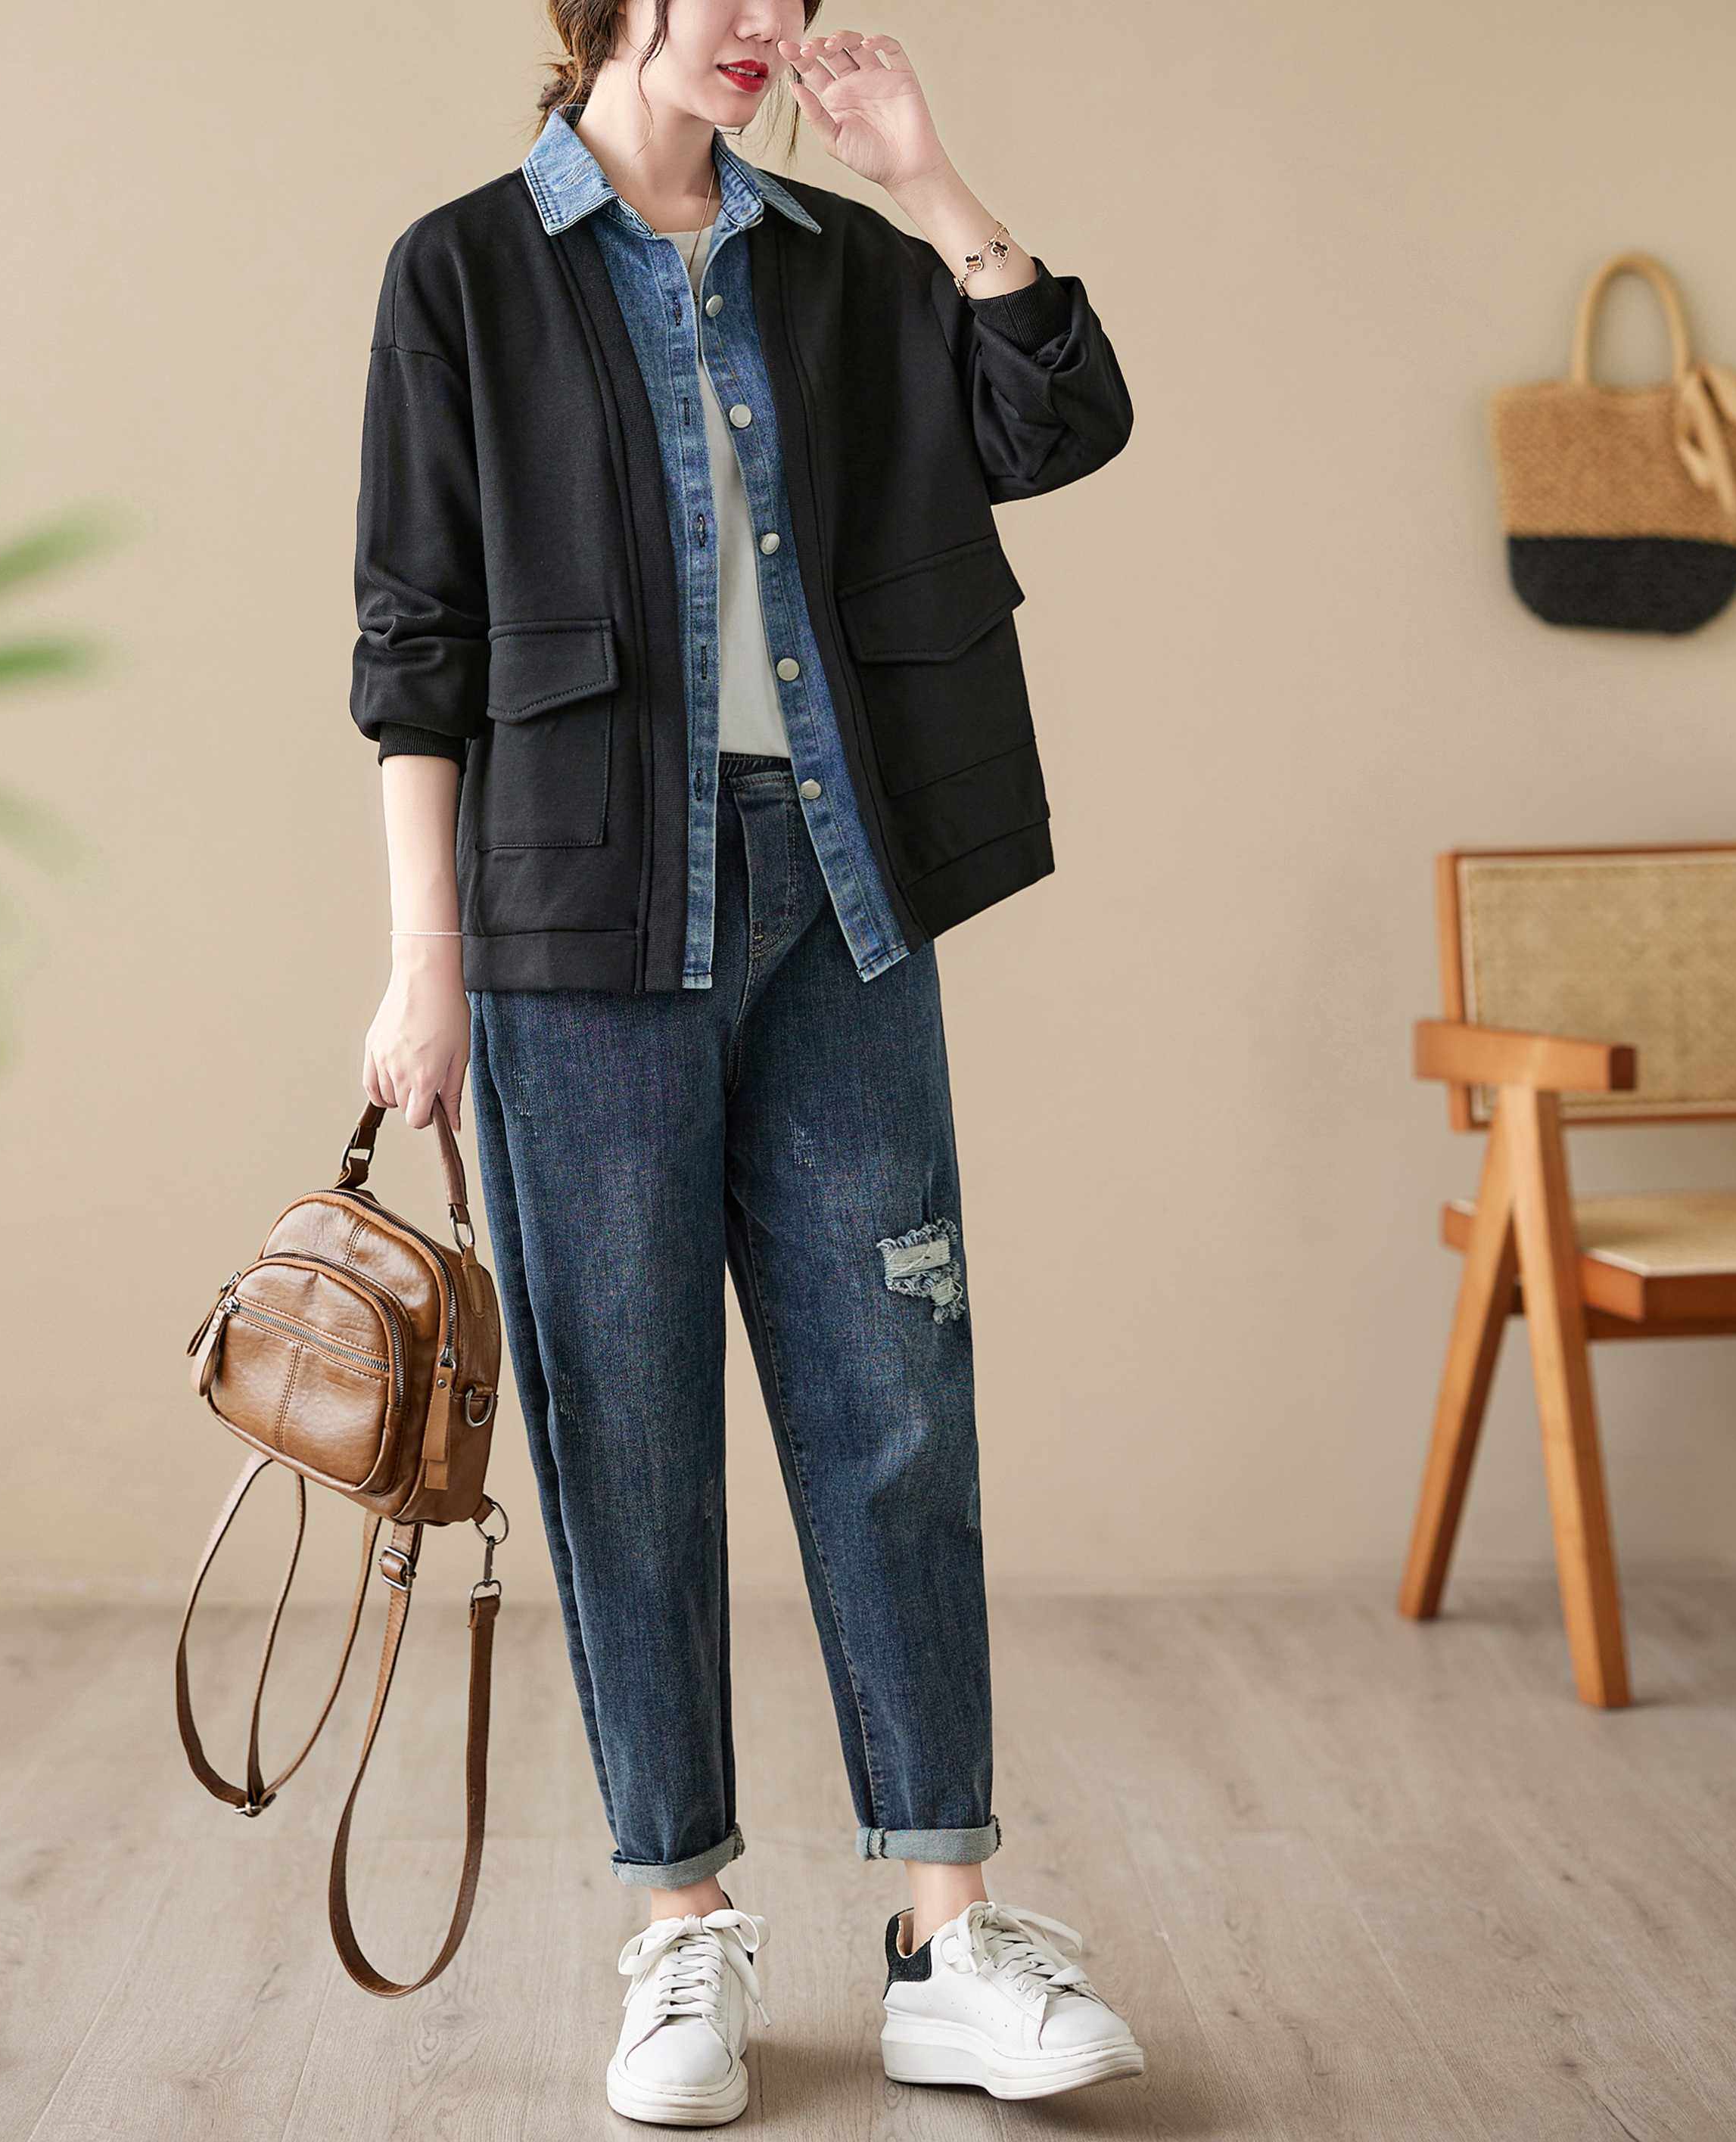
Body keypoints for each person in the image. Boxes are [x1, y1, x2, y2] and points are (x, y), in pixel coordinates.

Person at [353, 3, 1139, 2122]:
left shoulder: (846, 262)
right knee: (622, 1427)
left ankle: (946, 1935)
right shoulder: (463, 271)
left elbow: (1061, 422)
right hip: (575, 920)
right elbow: (415, 642)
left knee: (897, 1409)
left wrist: (925, 178)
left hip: (842, 893)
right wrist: (424, 968)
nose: (767, 25)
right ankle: (683, 1929)